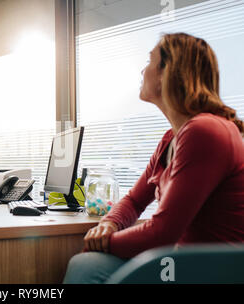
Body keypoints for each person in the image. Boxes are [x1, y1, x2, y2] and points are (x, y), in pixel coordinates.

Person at [64, 33, 244, 284]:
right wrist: (109, 224)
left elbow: (163, 233)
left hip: (214, 271)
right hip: (184, 261)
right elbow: (135, 201)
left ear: (165, 73)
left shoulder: (205, 131)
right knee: (88, 265)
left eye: (149, 61)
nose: (142, 71)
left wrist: (102, 244)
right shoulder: (171, 138)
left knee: (88, 265)